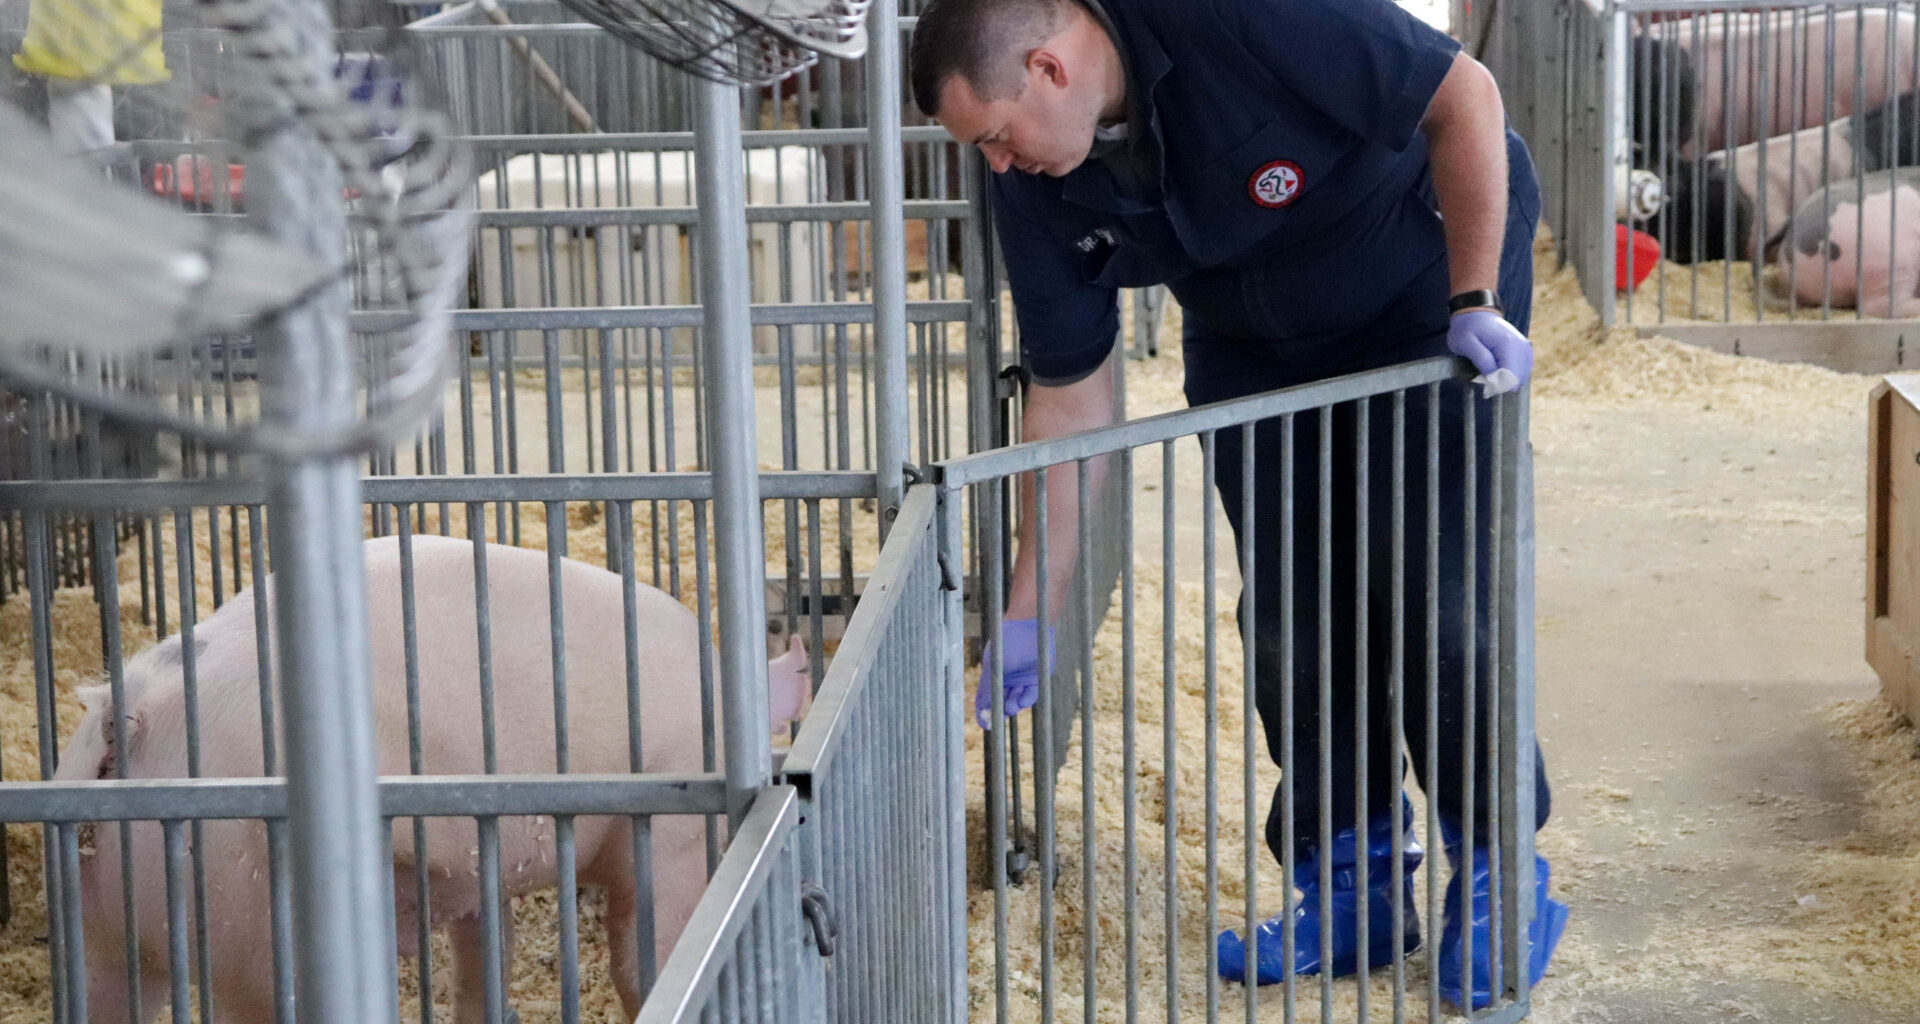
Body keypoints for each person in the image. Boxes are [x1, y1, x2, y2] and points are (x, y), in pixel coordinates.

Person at [909, 0, 1567, 1006]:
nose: (996, 163)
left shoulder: (1239, 14)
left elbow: (1462, 96)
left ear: (1046, 67)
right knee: (1291, 619)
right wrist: (1028, 610)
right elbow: (1070, 398)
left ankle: (1495, 873)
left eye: (993, 136)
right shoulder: (1038, 186)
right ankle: (1350, 882)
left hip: (1418, 285)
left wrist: (1475, 297)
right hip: (1253, 337)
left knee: (1438, 587)